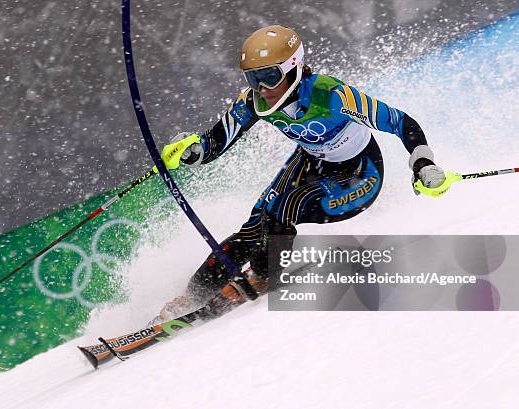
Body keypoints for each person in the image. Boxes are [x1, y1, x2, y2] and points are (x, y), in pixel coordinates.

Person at [157, 25, 446, 318]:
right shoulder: (254, 102)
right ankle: (193, 296)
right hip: (310, 162)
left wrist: (423, 162)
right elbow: (215, 142)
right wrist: (192, 151)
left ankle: (262, 274)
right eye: (253, 78)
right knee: (254, 226)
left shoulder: (331, 95)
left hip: (360, 173)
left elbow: (400, 122)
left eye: (269, 77)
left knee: (284, 208)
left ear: (293, 69)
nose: (262, 89)